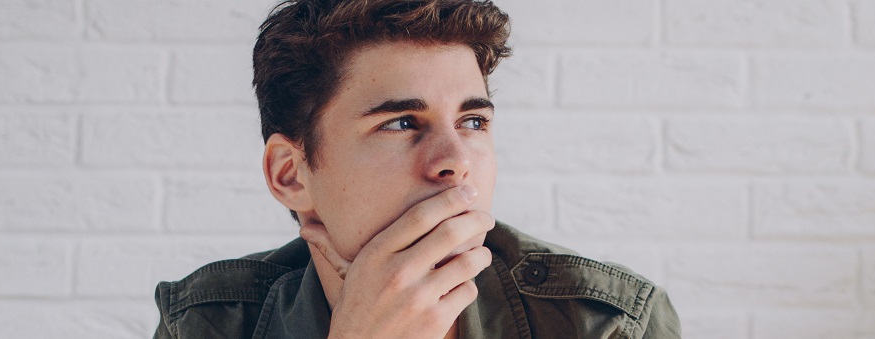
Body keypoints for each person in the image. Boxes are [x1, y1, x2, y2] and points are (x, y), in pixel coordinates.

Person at [152, 0, 681, 338]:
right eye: (402, 123)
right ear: (291, 175)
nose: (456, 162)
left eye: (473, 122)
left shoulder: (608, 324)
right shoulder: (206, 323)